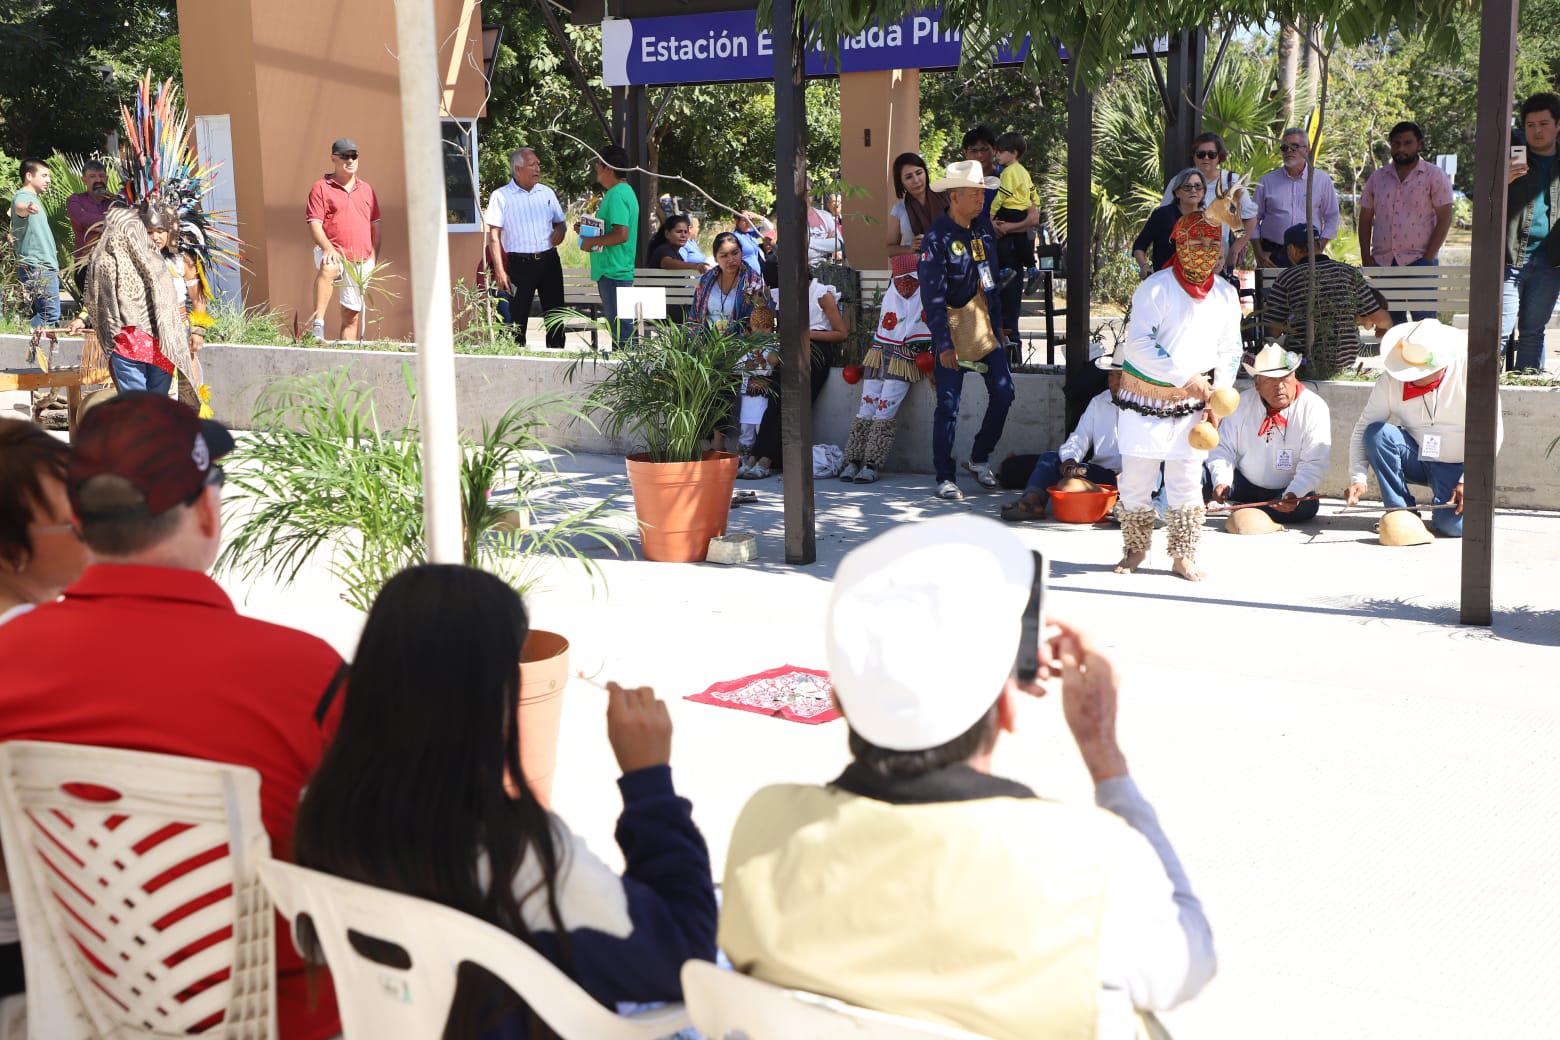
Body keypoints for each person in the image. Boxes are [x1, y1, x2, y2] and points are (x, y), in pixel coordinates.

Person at [720, 516, 1216, 1040]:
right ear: (1007, 708)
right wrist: (1104, 758)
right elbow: (1192, 963)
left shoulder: (764, 827)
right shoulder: (1089, 861)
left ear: (838, 700)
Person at [0, 393, 347, 1039]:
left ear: (77, 521)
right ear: (209, 512)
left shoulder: (7, 661)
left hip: (85, 1015)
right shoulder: (306, 673)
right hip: (290, 1017)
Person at [293, 565, 716, 1036]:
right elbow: (687, 957)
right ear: (488, 696)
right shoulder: (514, 853)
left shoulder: (323, 811)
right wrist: (648, 781)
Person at [0, 418, 92, 1002]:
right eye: (73, 522)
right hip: (38, 954)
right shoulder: (54, 657)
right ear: (12, 551)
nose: (91, 533)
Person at [1113, 211, 1243, 581]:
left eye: (1211, 245)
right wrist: (1185, 379)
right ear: (1179, 245)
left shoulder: (1225, 293)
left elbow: (1230, 348)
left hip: (1196, 399)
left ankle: (1182, 555)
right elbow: (1138, 345)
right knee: (1137, 478)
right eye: (1195, 243)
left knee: (1186, 478)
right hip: (1147, 398)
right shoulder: (1154, 287)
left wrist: (1219, 391)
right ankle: (1135, 548)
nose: (1204, 251)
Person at [1345, 319, 1502, 539]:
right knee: (1377, 433)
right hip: (1416, 455)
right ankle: (1401, 513)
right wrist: (1358, 477)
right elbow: (1363, 427)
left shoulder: (1470, 372)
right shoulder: (1392, 379)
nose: (1409, 377)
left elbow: (1494, 431)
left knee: (1454, 527)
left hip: (1458, 466)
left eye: (1417, 372)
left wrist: (1470, 479)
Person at [920, 161, 1015, 502]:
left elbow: (990, 283)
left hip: (985, 327)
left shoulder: (981, 232)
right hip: (953, 328)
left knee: (1004, 393)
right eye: (975, 192)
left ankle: (978, 457)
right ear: (955, 196)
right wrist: (943, 344)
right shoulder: (937, 238)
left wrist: (999, 327)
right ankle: (944, 476)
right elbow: (931, 298)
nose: (981, 198)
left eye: (982, 192)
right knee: (948, 404)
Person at [1205, 343, 1330, 524]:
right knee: (1199, 476)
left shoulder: (1314, 407)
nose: (1279, 386)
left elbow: (1314, 462)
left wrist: (1294, 492)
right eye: (1270, 380)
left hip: (1285, 491)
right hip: (1241, 483)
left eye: (1285, 378)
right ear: (1257, 385)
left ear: (1295, 377)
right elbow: (1223, 447)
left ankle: (1244, 509)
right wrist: (1221, 481)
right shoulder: (1242, 403)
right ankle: (1248, 508)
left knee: (1307, 506)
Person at [83, 207, 199, 401]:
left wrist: (105, 334)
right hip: (164, 344)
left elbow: (99, 305)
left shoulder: (104, 260)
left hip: (129, 345)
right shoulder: (153, 259)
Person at [1000, 341, 1124, 522]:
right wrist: (1070, 461)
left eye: (1121, 376)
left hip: (1129, 477)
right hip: (1100, 472)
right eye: (1111, 375)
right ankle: (1032, 502)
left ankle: (1123, 504)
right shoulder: (1099, 402)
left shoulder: (1147, 407)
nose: (1114, 382)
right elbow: (1079, 437)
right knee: (1049, 459)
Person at [838, 252, 931, 483]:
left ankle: (872, 463)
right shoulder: (892, 296)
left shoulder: (927, 297)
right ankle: (852, 459)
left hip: (905, 358)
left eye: (910, 278)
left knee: (885, 410)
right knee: (866, 407)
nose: (904, 285)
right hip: (879, 354)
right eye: (899, 279)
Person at [743, 275, 847, 480]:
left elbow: (841, 333)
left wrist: (805, 334)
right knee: (775, 398)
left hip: (816, 349)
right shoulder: (781, 295)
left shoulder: (822, 294)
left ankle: (766, 458)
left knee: (793, 401)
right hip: (790, 350)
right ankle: (757, 455)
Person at [1264, 223, 1393, 377]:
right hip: (1344, 364)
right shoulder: (1350, 273)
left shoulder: (1286, 278)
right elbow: (1382, 319)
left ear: (1291, 249)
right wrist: (1386, 328)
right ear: (1319, 245)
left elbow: (1273, 331)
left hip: (1303, 365)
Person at [1358, 121, 1455, 323]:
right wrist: (1366, 257)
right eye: (1396, 143)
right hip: (1384, 262)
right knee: (1390, 326)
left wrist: (1428, 256)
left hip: (1420, 261)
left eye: (1407, 143)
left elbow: (1445, 217)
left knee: (1425, 327)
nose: (1401, 148)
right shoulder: (1378, 178)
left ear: (1419, 144)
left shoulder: (1434, 175)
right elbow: (1365, 218)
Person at [484, 147, 567, 351]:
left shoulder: (546, 193)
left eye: (538, 164)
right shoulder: (500, 196)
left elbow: (561, 223)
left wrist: (561, 230)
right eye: (532, 165)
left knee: (555, 316)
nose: (538, 168)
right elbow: (493, 236)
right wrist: (500, 271)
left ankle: (557, 360)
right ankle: (514, 360)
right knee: (515, 321)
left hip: (549, 261)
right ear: (518, 169)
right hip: (518, 264)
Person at [1503, 91, 1560, 372]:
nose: (1537, 131)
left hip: (1550, 262)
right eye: (1530, 125)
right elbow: (1484, 202)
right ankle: (1485, 402)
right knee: (1497, 334)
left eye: (1544, 124)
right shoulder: (1510, 156)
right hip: (1511, 258)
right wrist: (1501, 180)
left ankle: (1521, 398)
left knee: (1532, 333)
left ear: (1558, 125)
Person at [964, 125, 1034, 350]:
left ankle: (1014, 372)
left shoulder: (1010, 174)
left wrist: (1008, 227)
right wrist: (986, 225)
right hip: (978, 257)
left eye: (984, 149)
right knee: (980, 315)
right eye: (973, 151)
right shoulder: (960, 183)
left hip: (1009, 255)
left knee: (1009, 318)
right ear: (965, 154)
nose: (980, 155)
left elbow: (1033, 217)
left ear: (995, 150)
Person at [305, 138, 380, 342]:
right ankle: (318, 324)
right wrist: (328, 248)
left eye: (353, 155)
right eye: (345, 156)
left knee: (351, 316)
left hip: (361, 259)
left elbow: (375, 227)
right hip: (333, 251)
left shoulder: (366, 190)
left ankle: (347, 361)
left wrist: (373, 259)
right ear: (333, 158)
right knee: (330, 267)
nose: (350, 159)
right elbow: (315, 224)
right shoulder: (321, 187)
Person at [1159, 133, 1258, 272]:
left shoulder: (1232, 181)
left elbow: (1251, 219)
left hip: (1218, 257)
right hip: (1182, 256)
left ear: (1219, 157)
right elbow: (1163, 216)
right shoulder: (1179, 181)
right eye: (1201, 154)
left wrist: (1235, 250)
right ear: (1194, 156)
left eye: (1211, 154)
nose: (1206, 158)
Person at [578, 145, 639, 350]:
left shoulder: (616, 194)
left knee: (622, 335)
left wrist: (591, 241)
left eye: (598, 165)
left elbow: (621, 234)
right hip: (615, 271)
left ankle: (627, 377)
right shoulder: (624, 191)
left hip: (614, 272)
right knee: (622, 331)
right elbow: (612, 230)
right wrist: (587, 230)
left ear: (608, 168)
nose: (596, 169)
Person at [1254, 128, 1340, 269]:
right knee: (1272, 292)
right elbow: (1253, 219)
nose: (1288, 151)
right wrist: (1259, 253)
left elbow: (1332, 217)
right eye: (1284, 147)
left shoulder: (1321, 180)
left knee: (1306, 291)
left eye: (1294, 146)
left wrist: (1319, 249)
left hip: (1309, 255)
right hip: (1272, 256)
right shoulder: (1266, 181)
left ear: (1306, 150)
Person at [10, 158, 59, 331]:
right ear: (29, 176)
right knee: (50, 314)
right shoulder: (24, 196)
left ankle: (25, 343)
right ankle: (22, 342)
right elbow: (19, 206)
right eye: (44, 175)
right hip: (38, 266)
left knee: (44, 313)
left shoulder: (35, 199)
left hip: (39, 265)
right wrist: (27, 208)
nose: (48, 180)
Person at [1134, 168, 1207, 278]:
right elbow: (1139, 246)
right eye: (1187, 187)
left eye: (1198, 186)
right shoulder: (1162, 215)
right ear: (1177, 192)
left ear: (1203, 191)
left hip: (1198, 283)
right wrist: (1144, 266)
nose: (1193, 190)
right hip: (1165, 282)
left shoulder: (1209, 219)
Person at [690, 232, 768, 332]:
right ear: (715, 258)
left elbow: (762, 320)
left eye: (735, 253)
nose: (731, 260)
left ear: (741, 253)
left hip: (742, 342)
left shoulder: (754, 281)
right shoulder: (706, 280)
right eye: (724, 256)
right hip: (707, 342)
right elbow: (694, 318)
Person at [992, 132, 1039, 290]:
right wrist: (1036, 202)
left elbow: (1002, 195)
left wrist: (991, 213)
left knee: (1001, 240)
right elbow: (1032, 190)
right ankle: (1032, 269)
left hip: (1009, 211)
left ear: (1013, 153)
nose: (996, 154)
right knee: (1021, 243)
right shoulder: (1023, 171)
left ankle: (1005, 271)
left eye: (1000, 151)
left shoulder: (1007, 172)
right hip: (1022, 211)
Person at [66, 159, 115, 297]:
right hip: (85, 265)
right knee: (92, 312)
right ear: (84, 180)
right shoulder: (75, 200)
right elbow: (82, 219)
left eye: (101, 176)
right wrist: (111, 222)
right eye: (92, 176)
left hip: (113, 265)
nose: (98, 180)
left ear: (106, 178)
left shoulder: (116, 202)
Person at [885, 152, 948, 257]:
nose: (916, 180)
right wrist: (910, 248)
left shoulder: (946, 198)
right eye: (909, 177)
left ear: (925, 173)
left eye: (919, 173)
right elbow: (889, 249)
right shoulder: (899, 209)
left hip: (949, 265)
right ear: (901, 182)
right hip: (915, 269)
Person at [733, 211, 771, 275]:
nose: (748, 222)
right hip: (745, 278)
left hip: (757, 278)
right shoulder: (733, 237)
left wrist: (756, 216)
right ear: (737, 221)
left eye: (750, 220)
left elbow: (769, 228)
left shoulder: (752, 234)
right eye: (744, 220)